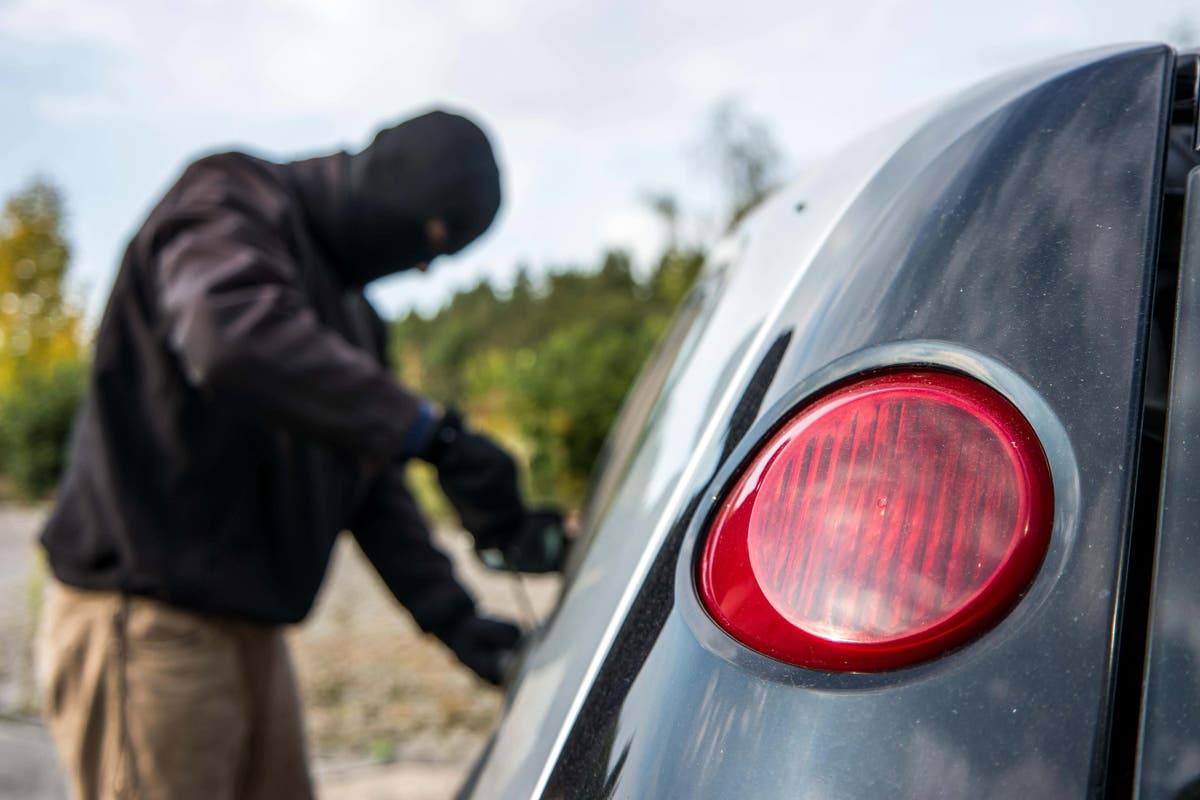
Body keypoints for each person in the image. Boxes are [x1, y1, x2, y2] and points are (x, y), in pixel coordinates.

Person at [35, 109, 555, 800]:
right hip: (149, 625)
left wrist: (462, 625)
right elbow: (227, 337)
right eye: (433, 241)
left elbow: (371, 489)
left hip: (254, 634)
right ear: (397, 191)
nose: (425, 268)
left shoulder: (355, 321)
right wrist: (432, 432)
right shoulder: (228, 201)